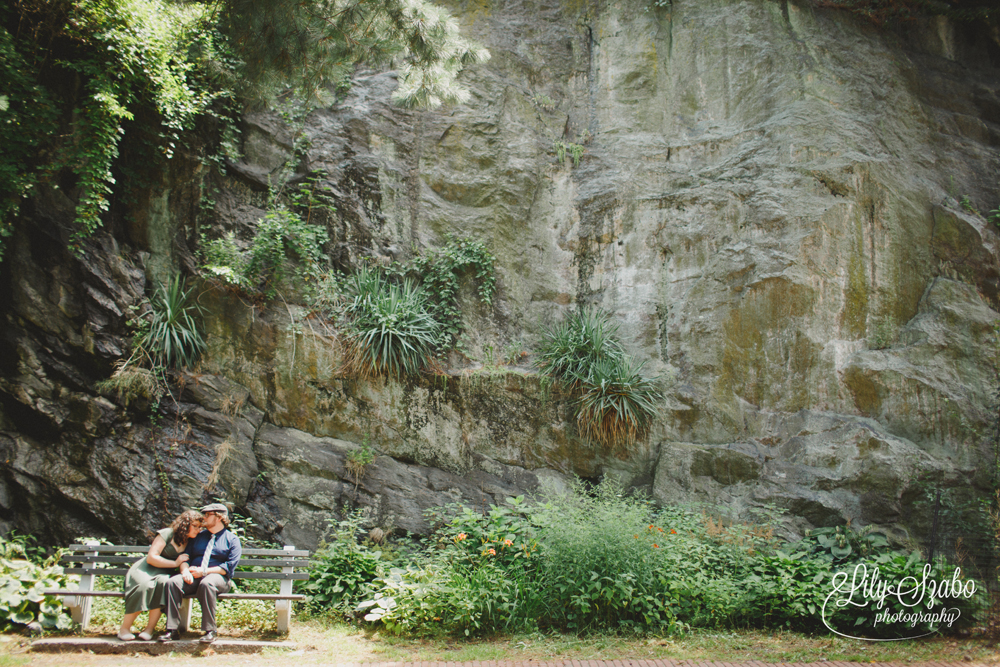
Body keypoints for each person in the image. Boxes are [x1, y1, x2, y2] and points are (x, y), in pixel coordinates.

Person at [158, 503, 242, 644]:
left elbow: (228, 567)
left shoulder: (232, 540)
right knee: (173, 582)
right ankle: (172, 630)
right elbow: (186, 557)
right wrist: (185, 571)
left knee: (207, 582)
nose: (204, 518)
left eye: (208, 515)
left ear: (219, 517)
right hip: (194, 576)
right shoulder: (198, 537)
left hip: (218, 577)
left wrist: (204, 571)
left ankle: (210, 630)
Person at [118, 510, 203, 641]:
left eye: (200, 527)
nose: (198, 530)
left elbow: (184, 561)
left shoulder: (191, 541)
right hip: (147, 569)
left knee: (163, 585)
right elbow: (151, 557)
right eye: (195, 526)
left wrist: (184, 570)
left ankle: (149, 629)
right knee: (143, 587)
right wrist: (175, 562)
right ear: (185, 525)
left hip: (165, 573)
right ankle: (124, 629)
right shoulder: (167, 533)